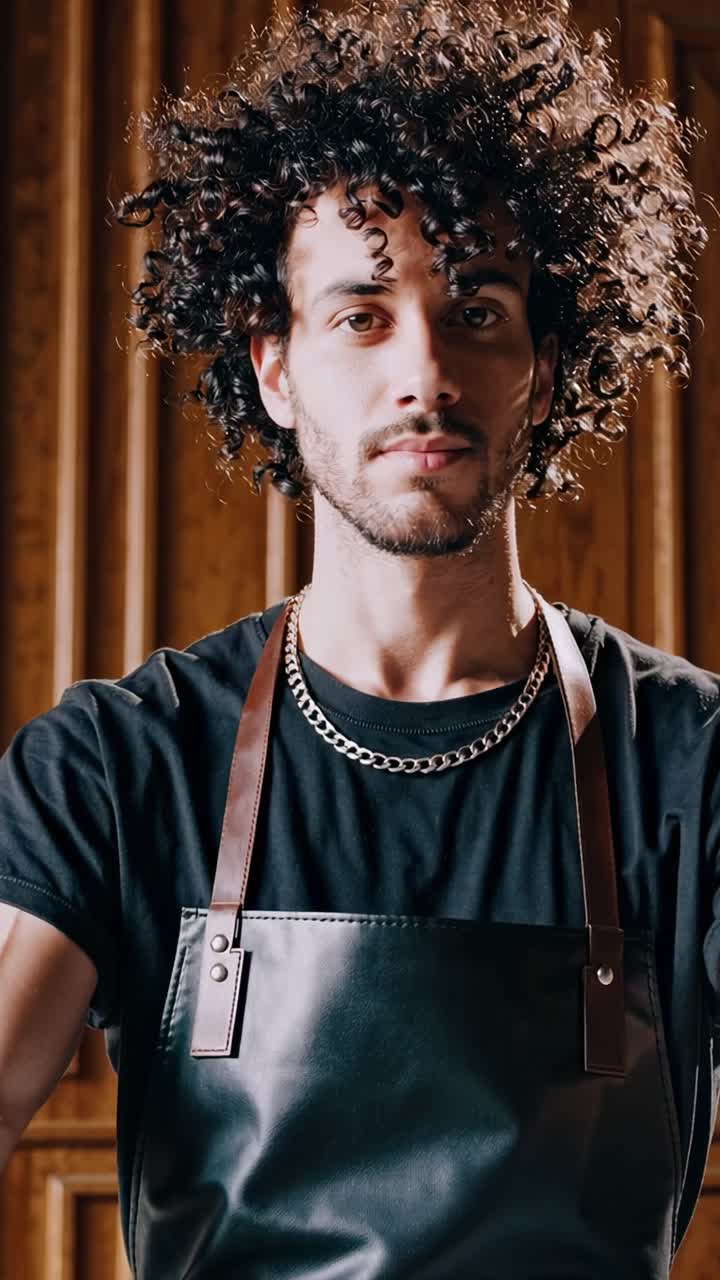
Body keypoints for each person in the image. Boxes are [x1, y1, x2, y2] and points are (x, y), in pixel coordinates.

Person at [0, 0, 717, 1275]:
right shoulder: (116, 765)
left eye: (479, 307)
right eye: (363, 312)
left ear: (544, 369)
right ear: (272, 365)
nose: (426, 371)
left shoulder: (692, 760)